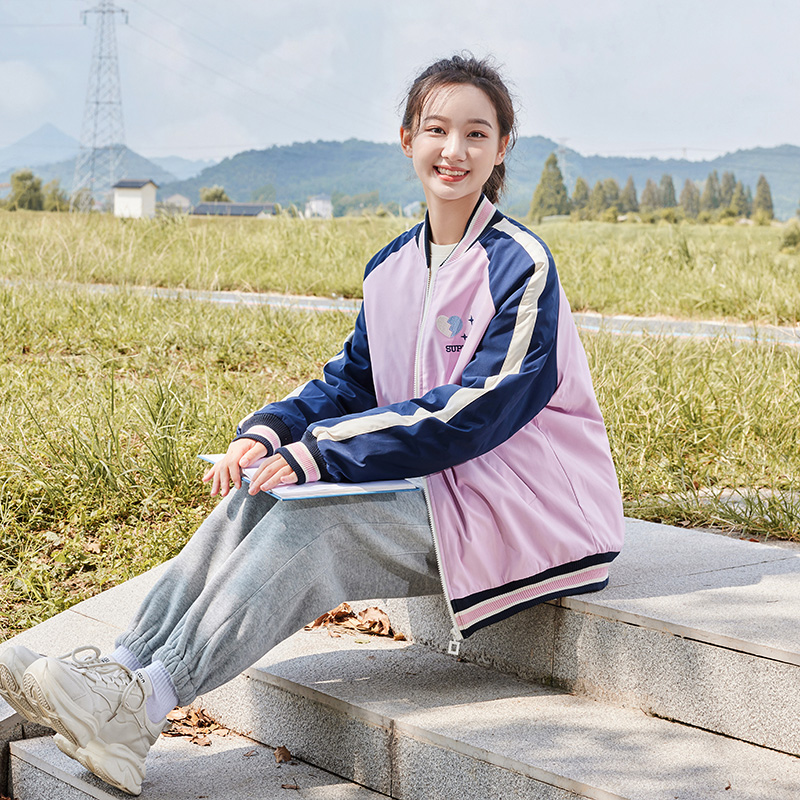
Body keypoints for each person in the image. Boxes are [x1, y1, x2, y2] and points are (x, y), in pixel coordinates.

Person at [0, 54, 624, 795]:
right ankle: (119, 674)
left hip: (527, 505)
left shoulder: (520, 264)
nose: (453, 150)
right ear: (406, 139)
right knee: (255, 495)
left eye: (475, 134)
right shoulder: (393, 267)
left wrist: (321, 453)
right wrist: (268, 433)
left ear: (501, 149)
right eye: (437, 129)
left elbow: (480, 408)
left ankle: (148, 705)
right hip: (442, 488)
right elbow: (349, 380)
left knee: (314, 527)